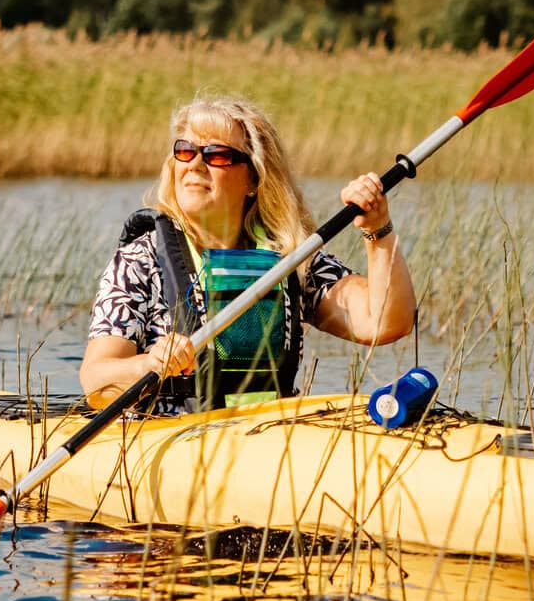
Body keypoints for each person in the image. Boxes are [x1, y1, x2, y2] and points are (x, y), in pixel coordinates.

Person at [82, 96, 417, 412]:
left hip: (266, 431)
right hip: (173, 435)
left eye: (217, 155)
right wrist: (149, 363)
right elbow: (95, 381)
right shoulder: (140, 260)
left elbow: (385, 323)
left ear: (254, 179)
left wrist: (377, 230)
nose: (195, 164)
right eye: (185, 151)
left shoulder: (290, 259)